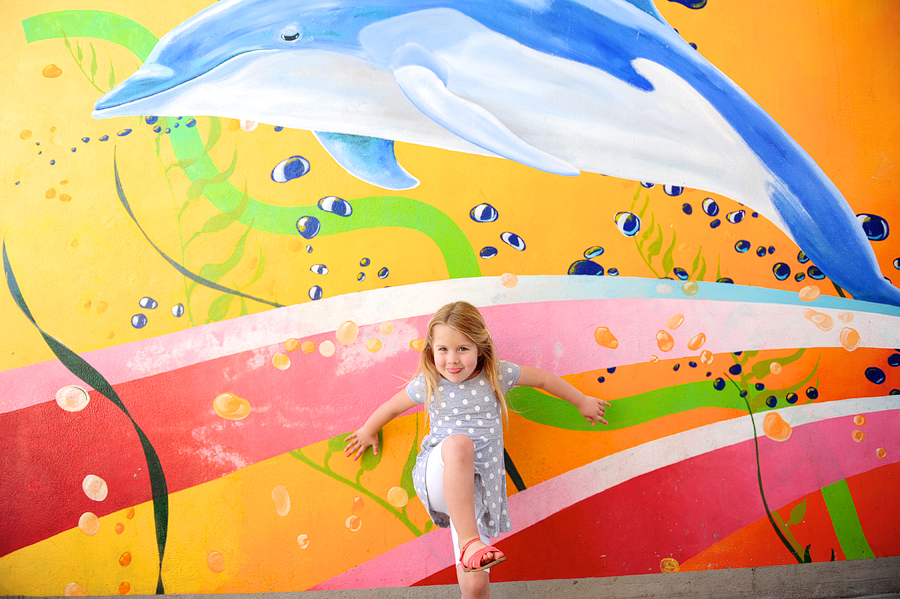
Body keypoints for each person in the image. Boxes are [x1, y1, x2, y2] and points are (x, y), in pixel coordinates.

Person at [345, 301, 610, 599]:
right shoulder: (431, 383)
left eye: (463, 349)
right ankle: (471, 542)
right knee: (459, 443)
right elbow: (391, 407)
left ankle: (471, 548)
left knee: (476, 587)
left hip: (473, 497)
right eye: (443, 349)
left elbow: (544, 379)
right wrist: (368, 430)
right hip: (438, 477)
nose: (452, 359)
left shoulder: (496, 375)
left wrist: (580, 401)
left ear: (480, 349)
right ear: (432, 351)